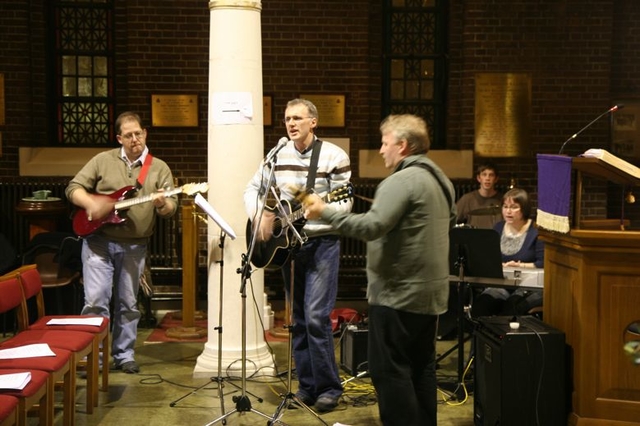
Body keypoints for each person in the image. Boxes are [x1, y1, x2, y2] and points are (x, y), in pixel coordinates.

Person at [303, 114, 456, 426]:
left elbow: (372, 226)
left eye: (385, 144)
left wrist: (324, 211)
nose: (381, 150)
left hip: (398, 295)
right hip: (431, 293)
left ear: (402, 146)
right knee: (421, 368)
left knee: (389, 371)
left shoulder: (400, 181)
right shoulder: (441, 180)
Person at [243, 98, 352, 412]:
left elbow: (345, 202)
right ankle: (307, 387)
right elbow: (253, 189)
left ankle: (330, 388)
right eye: (287, 118)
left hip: (322, 244)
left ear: (313, 122)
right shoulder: (277, 153)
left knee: (317, 318)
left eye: (297, 118)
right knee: (299, 320)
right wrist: (259, 215)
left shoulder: (333, 155)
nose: (291, 124)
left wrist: (321, 207)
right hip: (288, 247)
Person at [65, 111, 177, 374]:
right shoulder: (102, 161)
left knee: (128, 302)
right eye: (128, 135)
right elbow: (74, 188)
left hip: (135, 245)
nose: (135, 139)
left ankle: (124, 354)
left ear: (145, 133)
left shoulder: (158, 167)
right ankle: (94, 357)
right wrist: (91, 202)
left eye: (138, 133)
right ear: (119, 138)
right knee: (95, 301)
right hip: (98, 241)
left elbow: (171, 208)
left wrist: (163, 203)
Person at [471, 188, 544, 318]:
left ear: (525, 209)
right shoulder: (498, 228)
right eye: (505, 206)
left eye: (514, 207)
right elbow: (489, 257)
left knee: (512, 306)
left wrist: (520, 266)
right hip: (502, 283)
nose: (508, 211)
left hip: (528, 285)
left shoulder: (536, 231)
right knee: (482, 305)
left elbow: (542, 262)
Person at [455, 162, 502, 229]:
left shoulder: (503, 200)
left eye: (491, 175)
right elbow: (453, 220)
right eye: (484, 175)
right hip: (473, 237)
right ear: (478, 178)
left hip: (496, 237)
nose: (487, 178)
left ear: (496, 179)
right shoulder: (467, 199)